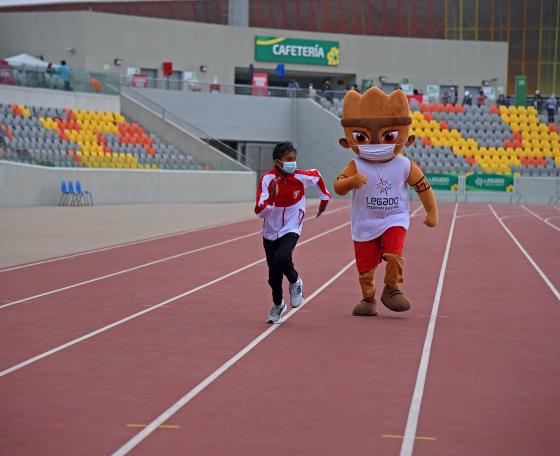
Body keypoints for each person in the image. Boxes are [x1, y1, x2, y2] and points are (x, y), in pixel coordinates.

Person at [255, 142, 331, 324]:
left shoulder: (300, 176)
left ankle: (295, 281)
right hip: (270, 230)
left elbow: (318, 176)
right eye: (289, 160)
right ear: (277, 162)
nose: (293, 163)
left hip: (292, 226)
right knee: (273, 275)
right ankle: (278, 304)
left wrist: (324, 200)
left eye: (294, 159)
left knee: (282, 256)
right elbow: (259, 211)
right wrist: (272, 198)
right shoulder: (267, 179)